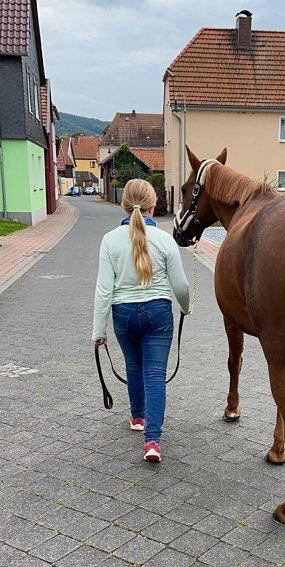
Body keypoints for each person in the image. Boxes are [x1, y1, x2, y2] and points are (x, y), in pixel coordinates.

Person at [92, 178, 190, 462]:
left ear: (123, 206)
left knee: (134, 367)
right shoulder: (165, 240)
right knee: (154, 374)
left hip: (123, 313)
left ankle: (137, 418)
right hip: (158, 312)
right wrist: (185, 307)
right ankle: (153, 442)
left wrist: (98, 330)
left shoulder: (109, 241)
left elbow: (103, 289)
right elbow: (181, 287)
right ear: (154, 205)